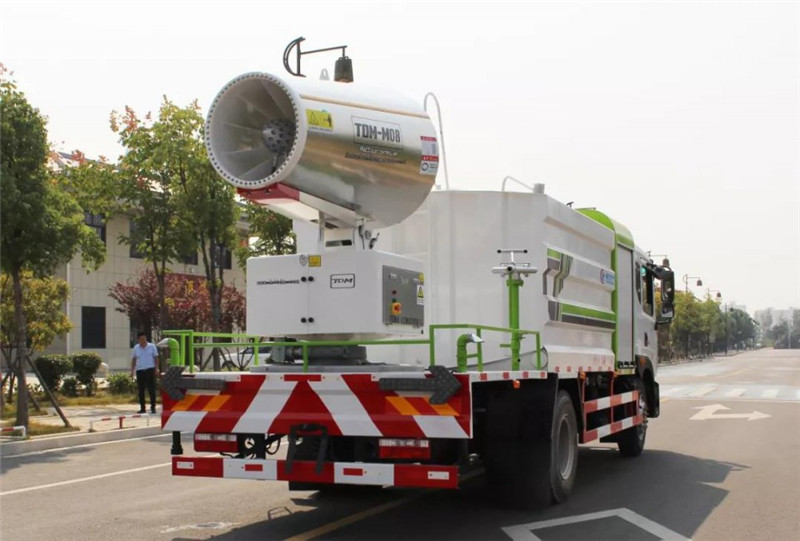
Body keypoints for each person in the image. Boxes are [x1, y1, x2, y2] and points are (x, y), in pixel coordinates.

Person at [131, 332, 159, 414]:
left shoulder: (152, 346)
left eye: (144, 338)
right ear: (138, 340)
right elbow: (134, 359)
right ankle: (142, 408)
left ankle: (153, 407)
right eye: (141, 339)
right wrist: (132, 370)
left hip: (150, 369)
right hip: (140, 370)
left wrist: (157, 369)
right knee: (141, 390)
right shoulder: (136, 348)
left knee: (151, 389)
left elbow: (156, 358)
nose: (143, 340)